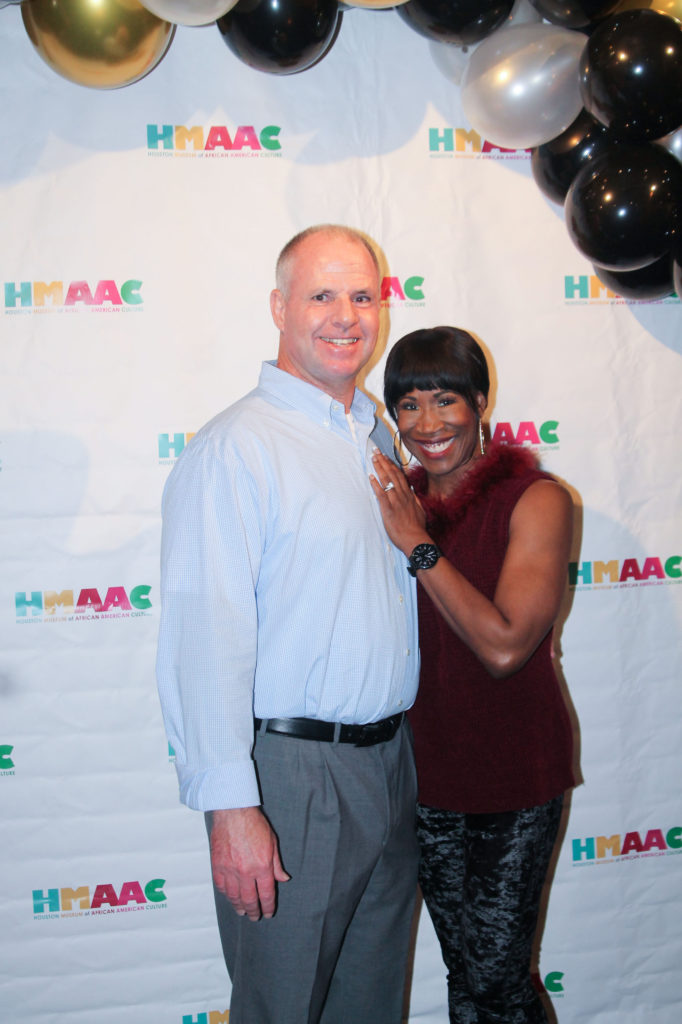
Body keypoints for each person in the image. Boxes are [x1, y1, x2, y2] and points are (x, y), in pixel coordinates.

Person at [156, 225, 420, 1024]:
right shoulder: (238, 448)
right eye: (322, 295)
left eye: (363, 296)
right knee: (282, 1008)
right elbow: (206, 637)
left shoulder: (374, 436)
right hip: (291, 780)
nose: (347, 316)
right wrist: (233, 807)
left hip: (390, 766)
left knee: (370, 1008)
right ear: (279, 306)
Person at [369, 326, 575, 1024]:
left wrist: (419, 547)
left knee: (497, 979)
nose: (427, 424)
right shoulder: (401, 502)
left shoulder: (535, 498)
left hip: (514, 775)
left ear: (481, 401)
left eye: (444, 400)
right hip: (428, 779)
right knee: (466, 976)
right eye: (408, 406)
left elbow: (506, 645)